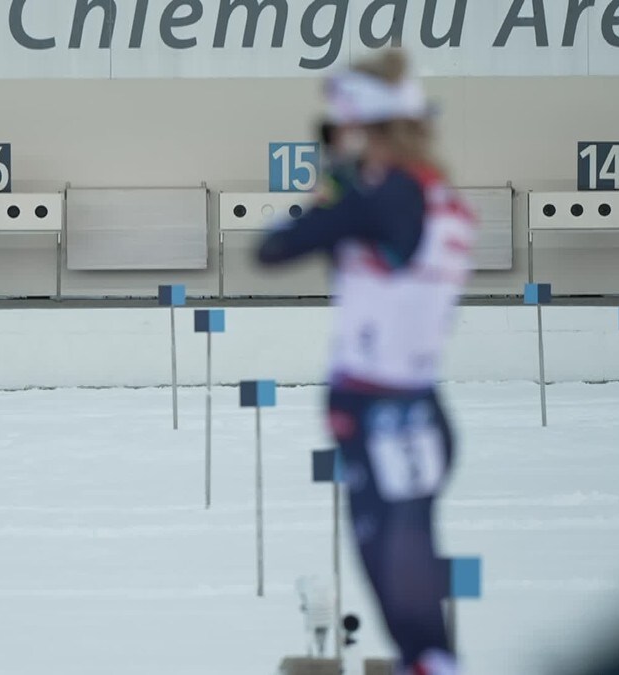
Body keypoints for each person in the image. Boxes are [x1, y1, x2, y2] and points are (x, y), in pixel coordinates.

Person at [256, 49, 477, 675]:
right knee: (406, 605)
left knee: (409, 612)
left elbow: (274, 248)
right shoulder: (433, 193)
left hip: (389, 411)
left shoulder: (388, 197)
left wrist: (335, 193)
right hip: (397, 408)